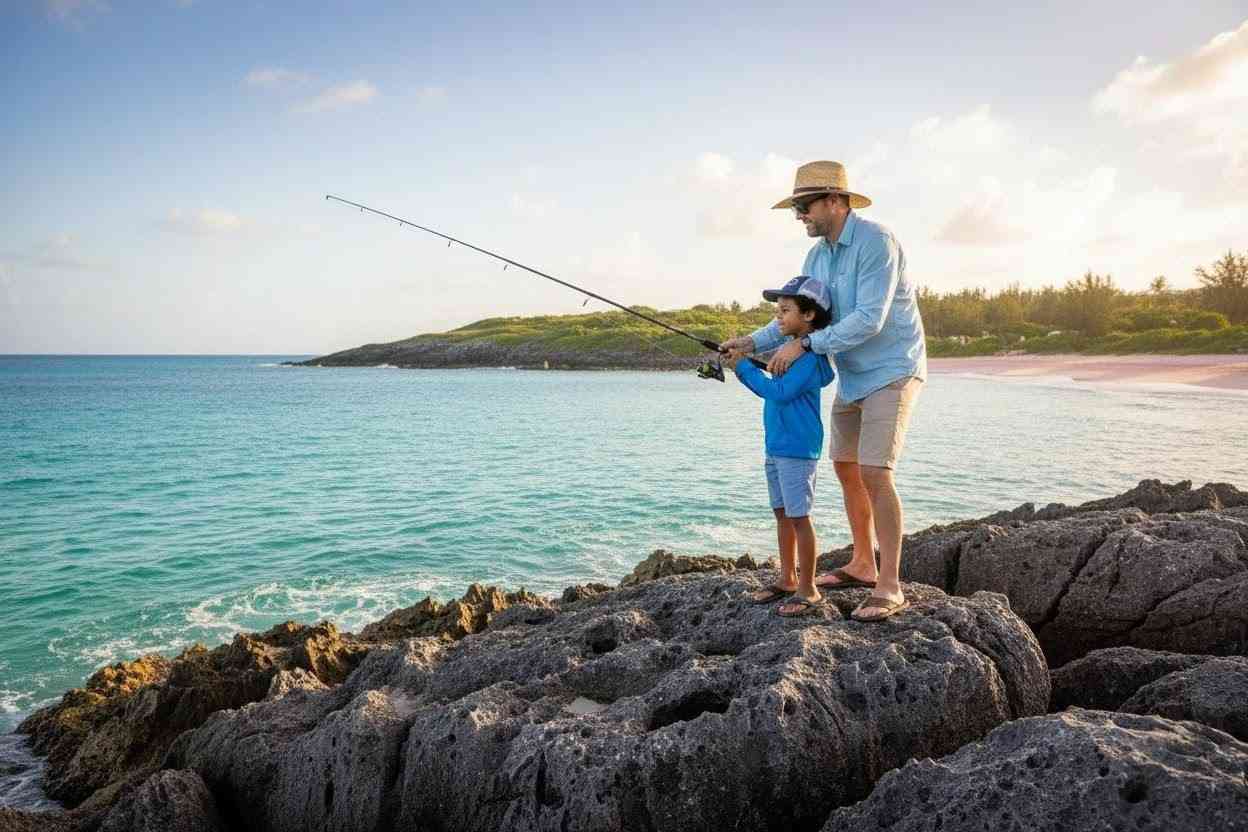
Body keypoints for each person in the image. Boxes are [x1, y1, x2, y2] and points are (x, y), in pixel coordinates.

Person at [721, 160, 926, 622]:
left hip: (892, 369)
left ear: (835, 200)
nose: (799, 215)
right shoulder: (816, 258)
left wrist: (805, 345)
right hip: (852, 373)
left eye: (803, 205)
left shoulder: (876, 242)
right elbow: (797, 316)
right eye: (796, 207)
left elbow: (869, 319)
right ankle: (861, 563)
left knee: (876, 472)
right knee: (845, 466)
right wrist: (753, 343)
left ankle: (889, 585)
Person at [721, 275, 835, 617]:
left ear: (809, 315)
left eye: (785, 311)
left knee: (800, 518)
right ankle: (787, 578)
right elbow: (774, 376)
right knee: (782, 513)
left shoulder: (811, 359)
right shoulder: (788, 353)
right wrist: (743, 352)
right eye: (777, 312)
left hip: (798, 449)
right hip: (777, 445)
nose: (779, 318)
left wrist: (742, 368)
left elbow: (780, 392)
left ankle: (808, 588)